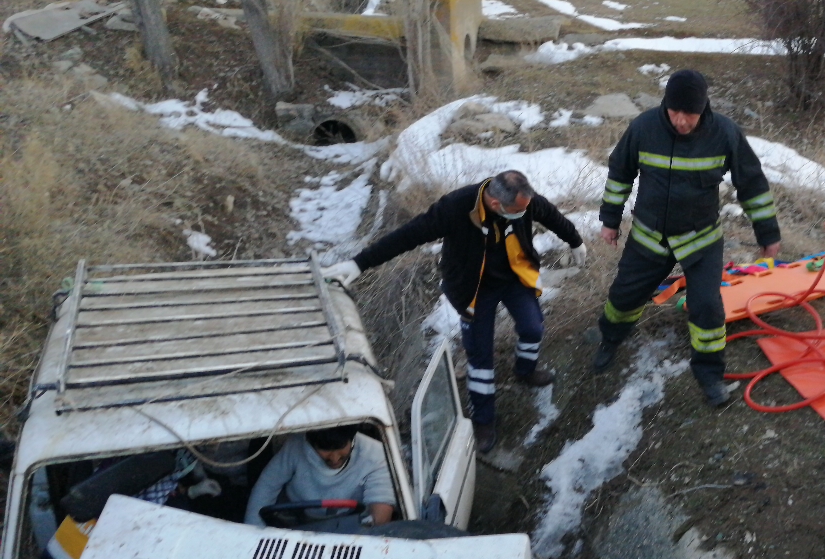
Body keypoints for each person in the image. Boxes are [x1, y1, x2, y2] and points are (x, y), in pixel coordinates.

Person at [323, 171, 586, 452]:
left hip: (514, 277)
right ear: (496, 204)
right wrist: (360, 263)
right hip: (473, 288)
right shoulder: (456, 208)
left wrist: (575, 240)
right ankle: (483, 419)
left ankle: (526, 370)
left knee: (533, 327)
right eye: (518, 212)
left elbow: (551, 215)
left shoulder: (525, 201)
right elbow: (408, 235)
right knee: (479, 355)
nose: (525, 214)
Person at [592, 69, 781, 406]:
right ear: (665, 105)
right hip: (650, 235)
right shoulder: (643, 127)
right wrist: (610, 219)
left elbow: (751, 184)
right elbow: (620, 173)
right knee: (623, 297)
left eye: (689, 114)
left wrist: (767, 233)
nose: (681, 121)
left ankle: (709, 374)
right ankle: (610, 339)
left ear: (703, 108)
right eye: (674, 112)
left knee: (707, 307)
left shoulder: (724, 132)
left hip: (701, 238)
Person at [244, 426, 396, 527]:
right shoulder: (294, 447)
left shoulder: (376, 455)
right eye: (325, 450)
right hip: (298, 525)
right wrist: (251, 535)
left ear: (352, 438)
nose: (335, 458)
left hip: (350, 528)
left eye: (341, 448)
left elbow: (380, 510)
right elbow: (266, 487)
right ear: (310, 442)